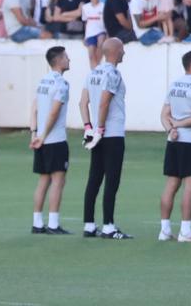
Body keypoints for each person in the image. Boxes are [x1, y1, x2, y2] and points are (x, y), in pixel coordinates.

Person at [80, 37, 131, 239]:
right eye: (123, 49)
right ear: (116, 51)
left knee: (94, 178)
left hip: (96, 134)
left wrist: (89, 128)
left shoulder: (93, 72)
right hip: (112, 134)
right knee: (112, 180)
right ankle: (108, 225)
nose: (124, 52)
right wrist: (100, 129)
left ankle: (89, 224)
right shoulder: (113, 74)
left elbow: (83, 103)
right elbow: (103, 103)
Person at [159, 50, 191, 243]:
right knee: (190, 185)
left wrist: (170, 129)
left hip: (174, 141)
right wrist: (178, 125)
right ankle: (185, 230)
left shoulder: (174, 85)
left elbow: (164, 114)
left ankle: (164, 230)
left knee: (171, 184)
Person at [28, 45, 71, 235]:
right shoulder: (61, 84)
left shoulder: (42, 81)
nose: (69, 60)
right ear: (59, 60)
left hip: (40, 139)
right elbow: (54, 112)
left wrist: (34, 134)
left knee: (43, 181)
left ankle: (37, 223)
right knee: (58, 181)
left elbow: (34, 108)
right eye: (66, 57)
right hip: (55, 140)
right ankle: (53, 224)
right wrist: (44, 136)